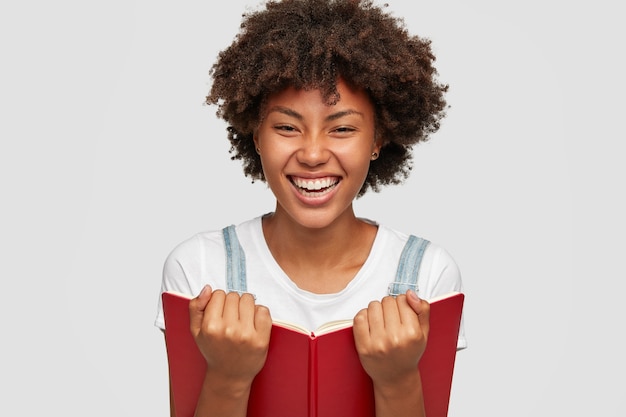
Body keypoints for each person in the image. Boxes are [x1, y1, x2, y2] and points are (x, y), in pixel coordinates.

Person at [154, 0, 466, 416]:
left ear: (377, 139)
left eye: (342, 128)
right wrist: (228, 377)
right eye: (286, 127)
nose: (314, 153)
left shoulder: (427, 273)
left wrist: (397, 378)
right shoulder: (198, 267)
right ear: (256, 135)